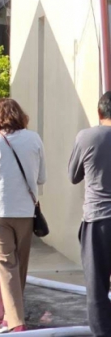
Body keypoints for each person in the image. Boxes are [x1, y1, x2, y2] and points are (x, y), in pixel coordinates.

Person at [0, 98, 46, 334]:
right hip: (26, 210)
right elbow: (41, 177)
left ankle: (15, 321)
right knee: (20, 264)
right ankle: (12, 315)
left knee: (7, 265)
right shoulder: (34, 139)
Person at [68, 91, 111, 337]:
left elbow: (73, 176)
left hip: (98, 219)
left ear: (99, 112)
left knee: (97, 287)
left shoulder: (87, 137)